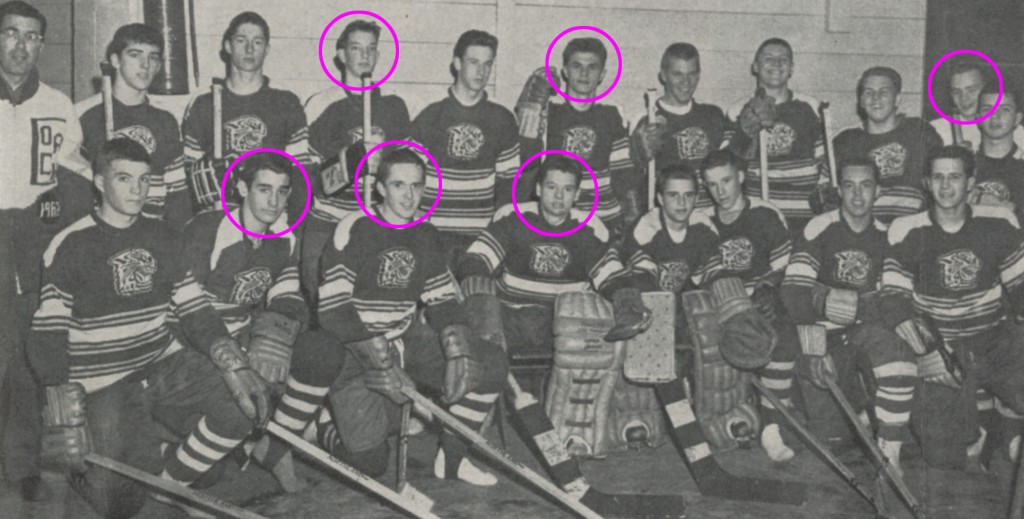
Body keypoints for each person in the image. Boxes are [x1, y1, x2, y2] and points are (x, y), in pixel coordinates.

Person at [27, 138, 269, 518]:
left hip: (162, 365)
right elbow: (47, 335)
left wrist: (228, 356)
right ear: (99, 182)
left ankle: (166, 487)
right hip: (103, 381)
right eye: (124, 179)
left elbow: (194, 308)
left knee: (241, 408)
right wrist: (59, 402)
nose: (136, 190)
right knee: (118, 502)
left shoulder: (164, 236)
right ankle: (119, 464)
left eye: (143, 180)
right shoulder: (70, 244)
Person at [265, 149, 509, 486]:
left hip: (402, 339)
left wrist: (459, 347)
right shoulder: (355, 227)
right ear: (380, 188)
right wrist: (380, 363)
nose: (409, 196)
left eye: (416, 186)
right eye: (398, 185)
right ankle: (322, 425)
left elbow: (440, 298)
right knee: (370, 463)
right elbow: (333, 307)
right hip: (351, 345)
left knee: (490, 362)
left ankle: (452, 459)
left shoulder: (425, 232)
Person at [880, 145, 1024, 469]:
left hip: (993, 340)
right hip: (942, 348)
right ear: (927, 183)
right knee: (943, 456)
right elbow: (892, 300)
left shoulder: (999, 221)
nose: (946, 186)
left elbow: (1021, 287)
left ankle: (1005, 420)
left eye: (955, 177)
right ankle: (978, 425)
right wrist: (924, 349)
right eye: (938, 177)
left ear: (971, 182)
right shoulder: (906, 228)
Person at [0, 0, 92, 501]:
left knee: (28, 347)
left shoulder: (58, 104)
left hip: (32, 233)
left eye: (31, 36)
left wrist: (58, 199)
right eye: (10, 33)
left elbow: (75, 172)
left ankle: (20, 466)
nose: (20, 45)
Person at [781, 159, 918, 473]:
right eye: (849, 185)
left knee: (894, 349)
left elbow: (894, 299)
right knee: (830, 437)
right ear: (839, 190)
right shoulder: (820, 226)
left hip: (866, 335)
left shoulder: (890, 235)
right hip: (825, 340)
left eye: (866, 185)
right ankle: (855, 409)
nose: (858, 195)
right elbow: (792, 291)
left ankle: (890, 451)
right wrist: (822, 303)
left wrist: (858, 305)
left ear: (879, 190)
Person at [698, 149, 799, 461]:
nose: (721, 191)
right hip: (720, 302)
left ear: (741, 176)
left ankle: (772, 427)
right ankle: (720, 419)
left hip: (760, 295)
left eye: (726, 180)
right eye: (712, 184)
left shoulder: (765, 213)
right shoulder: (701, 220)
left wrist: (770, 285)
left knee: (782, 336)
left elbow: (786, 264)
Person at [301, 19, 411, 300]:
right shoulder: (321, 104)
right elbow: (308, 181)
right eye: (356, 48)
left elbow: (408, 173)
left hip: (374, 219)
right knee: (317, 295)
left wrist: (383, 167)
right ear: (341, 55)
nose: (365, 55)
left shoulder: (393, 108)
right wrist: (356, 161)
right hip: (328, 219)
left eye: (371, 48)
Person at [181, 11, 310, 222]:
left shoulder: (286, 103)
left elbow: (302, 172)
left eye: (257, 42)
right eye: (241, 40)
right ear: (228, 46)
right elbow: (188, 173)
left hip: (271, 217)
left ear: (267, 49)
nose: (250, 49)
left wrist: (292, 224)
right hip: (218, 215)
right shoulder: (203, 104)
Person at [410, 29, 519, 260]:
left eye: (487, 64)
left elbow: (508, 187)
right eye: (473, 62)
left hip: (481, 238)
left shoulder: (503, 119)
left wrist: (496, 235)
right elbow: (409, 177)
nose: (481, 71)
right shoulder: (430, 116)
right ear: (457, 63)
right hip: (432, 235)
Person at [77, 23, 190, 229]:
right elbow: (75, 191)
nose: (145, 65)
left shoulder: (166, 120)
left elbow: (178, 195)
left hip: (153, 234)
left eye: (153, 57)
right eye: (135, 55)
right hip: (101, 233)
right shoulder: (84, 115)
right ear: (115, 60)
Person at [520, 37, 635, 232]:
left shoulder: (611, 115)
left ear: (602, 74)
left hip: (605, 218)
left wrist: (631, 218)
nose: (584, 73)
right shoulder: (550, 112)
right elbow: (526, 162)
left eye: (592, 67)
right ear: (565, 71)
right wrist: (531, 109)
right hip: (560, 217)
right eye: (576, 66)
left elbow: (623, 176)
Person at [728, 38, 828, 232]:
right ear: (755, 67)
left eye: (783, 58)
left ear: (791, 68)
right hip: (758, 214)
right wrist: (745, 134)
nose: (776, 63)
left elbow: (824, 163)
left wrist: (825, 197)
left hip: (804, 214)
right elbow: (730, 167)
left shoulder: (810, 107)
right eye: (768, 58)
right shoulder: (737, 110)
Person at [631, 43, 745, 211]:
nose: (686, 82)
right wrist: (639, 152)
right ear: (663, 75)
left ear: (699, 74)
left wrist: (746, 133)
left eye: (692, 74)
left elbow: (734, 165)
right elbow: (632, 178)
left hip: (711, 217)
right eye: (677, 74)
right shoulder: (647, 120)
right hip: (670, 221)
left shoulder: (713, 115)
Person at [832, 66, 942, 223]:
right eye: (869, 93)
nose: (875, 98)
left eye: (884, 92)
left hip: (915, 231)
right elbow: (830, 195)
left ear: (897, 99)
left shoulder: (920, 132)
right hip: (863, 232)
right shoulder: (845, 141)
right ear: (861, 101)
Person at [928, 60, 1024, 151]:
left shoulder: (1014, 131)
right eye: (957, 92)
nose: (964, 98)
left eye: (971, 90)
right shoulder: (936, 129)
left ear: (985, 89)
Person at [972, 81, 1024, 218]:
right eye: (987, 109)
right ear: (978, 118)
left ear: (1017, 119)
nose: (995, 116)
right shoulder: (963, 165)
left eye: (1005, 109)